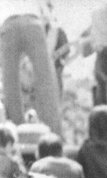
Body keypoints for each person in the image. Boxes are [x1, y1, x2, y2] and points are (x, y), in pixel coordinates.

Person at [0, 0, 62, 136]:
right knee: (46, 83)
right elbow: (52, 21)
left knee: (10, 85)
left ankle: (14, 134)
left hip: (7, 24)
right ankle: (54, 135)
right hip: (32, 22)